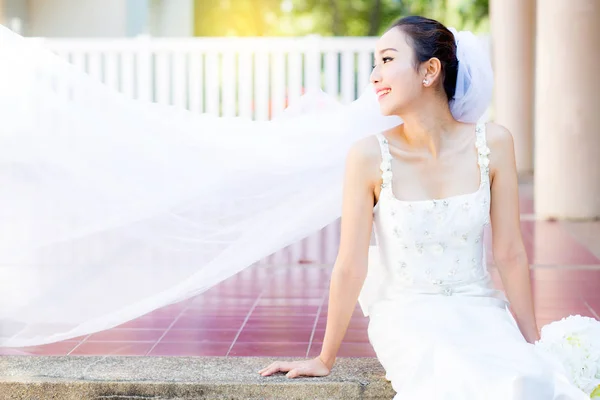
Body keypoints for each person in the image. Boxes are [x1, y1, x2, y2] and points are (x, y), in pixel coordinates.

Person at [257, 16, 590, 399]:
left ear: (430, 70)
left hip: (480, 309)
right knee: (454, 375)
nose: (374, 77)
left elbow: (510, 252)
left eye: (386, 60)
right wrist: (324, 358)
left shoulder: (495, 143)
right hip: (408, 316)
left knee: (525, 379)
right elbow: (350, 265)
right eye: (375, 63)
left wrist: (534, 344)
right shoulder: (367, 155)